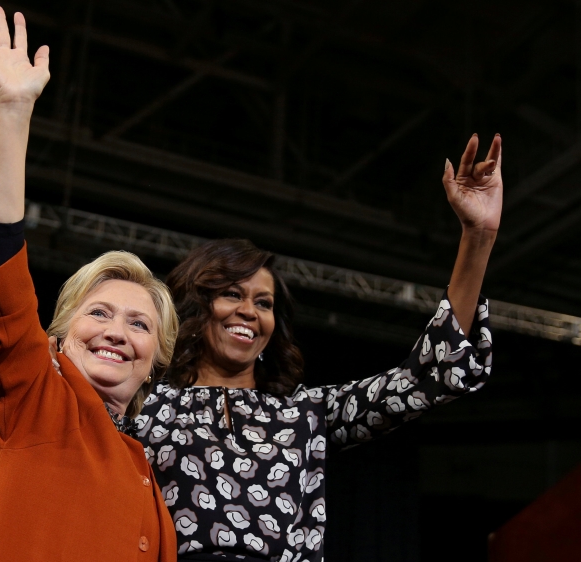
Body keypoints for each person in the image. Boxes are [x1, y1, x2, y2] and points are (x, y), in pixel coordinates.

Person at [134, 135, 502, 561]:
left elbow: (426, 374)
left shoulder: (305, 415)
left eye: (264, 302)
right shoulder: (146, 405)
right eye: (232, 294)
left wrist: (478, 236)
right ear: (196, 304)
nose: (250, 312)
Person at [0, 7, 179, 561]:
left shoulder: (148, 479)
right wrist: (12, 110)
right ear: (57, 338)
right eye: (98, 313)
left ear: (157, 359)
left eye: (139, 323)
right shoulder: (32, 396)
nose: (118, 331)